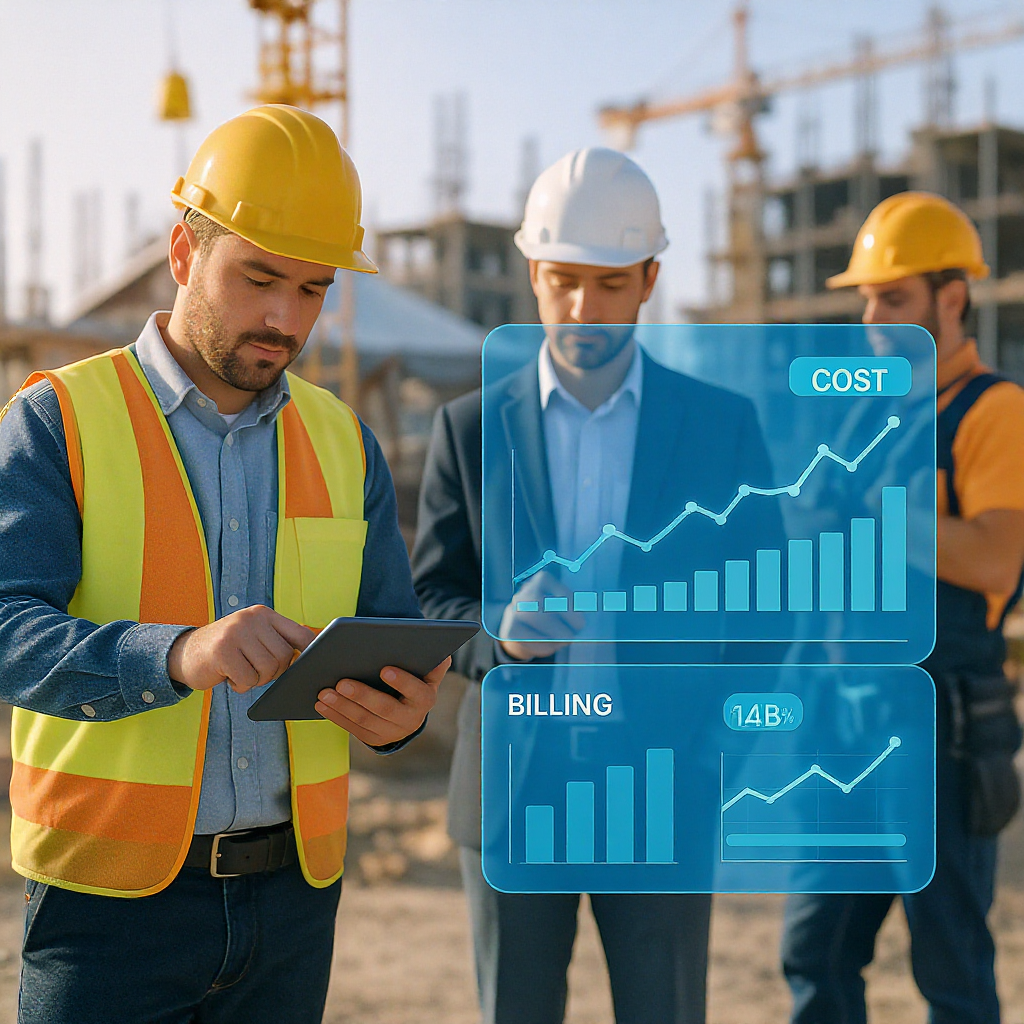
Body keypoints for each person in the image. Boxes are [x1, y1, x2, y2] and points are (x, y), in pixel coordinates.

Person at [0, 104, 448, 1024]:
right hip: (105, 909)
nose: (286, 318)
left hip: (293, 902)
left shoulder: (346, 444)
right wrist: (176, 655)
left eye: (315, 289)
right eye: (259, 279)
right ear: (183, 252)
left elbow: (389, 639)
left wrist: (401, 715)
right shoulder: (58, 421)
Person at [412, 147, 780, 1024]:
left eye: (611, 283)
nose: (584, 308)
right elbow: (431, 601)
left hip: (663, 787)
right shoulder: (467, 430)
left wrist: (712, 743)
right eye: (564, 280)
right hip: (514, 789)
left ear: (651, 278)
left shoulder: (721, 430)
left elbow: (769, 605)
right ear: (532, 272)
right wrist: (497, 633)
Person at [780, 192, 1024, 1024]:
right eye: (866, 298)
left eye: (893, 297)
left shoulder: (995, 411)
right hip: (841, 729)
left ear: (951, 299)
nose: (872, 316)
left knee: (950, 966)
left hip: (939, 739)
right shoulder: (867, 412)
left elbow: (996, 554)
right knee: (814, 954)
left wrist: (871, 518)